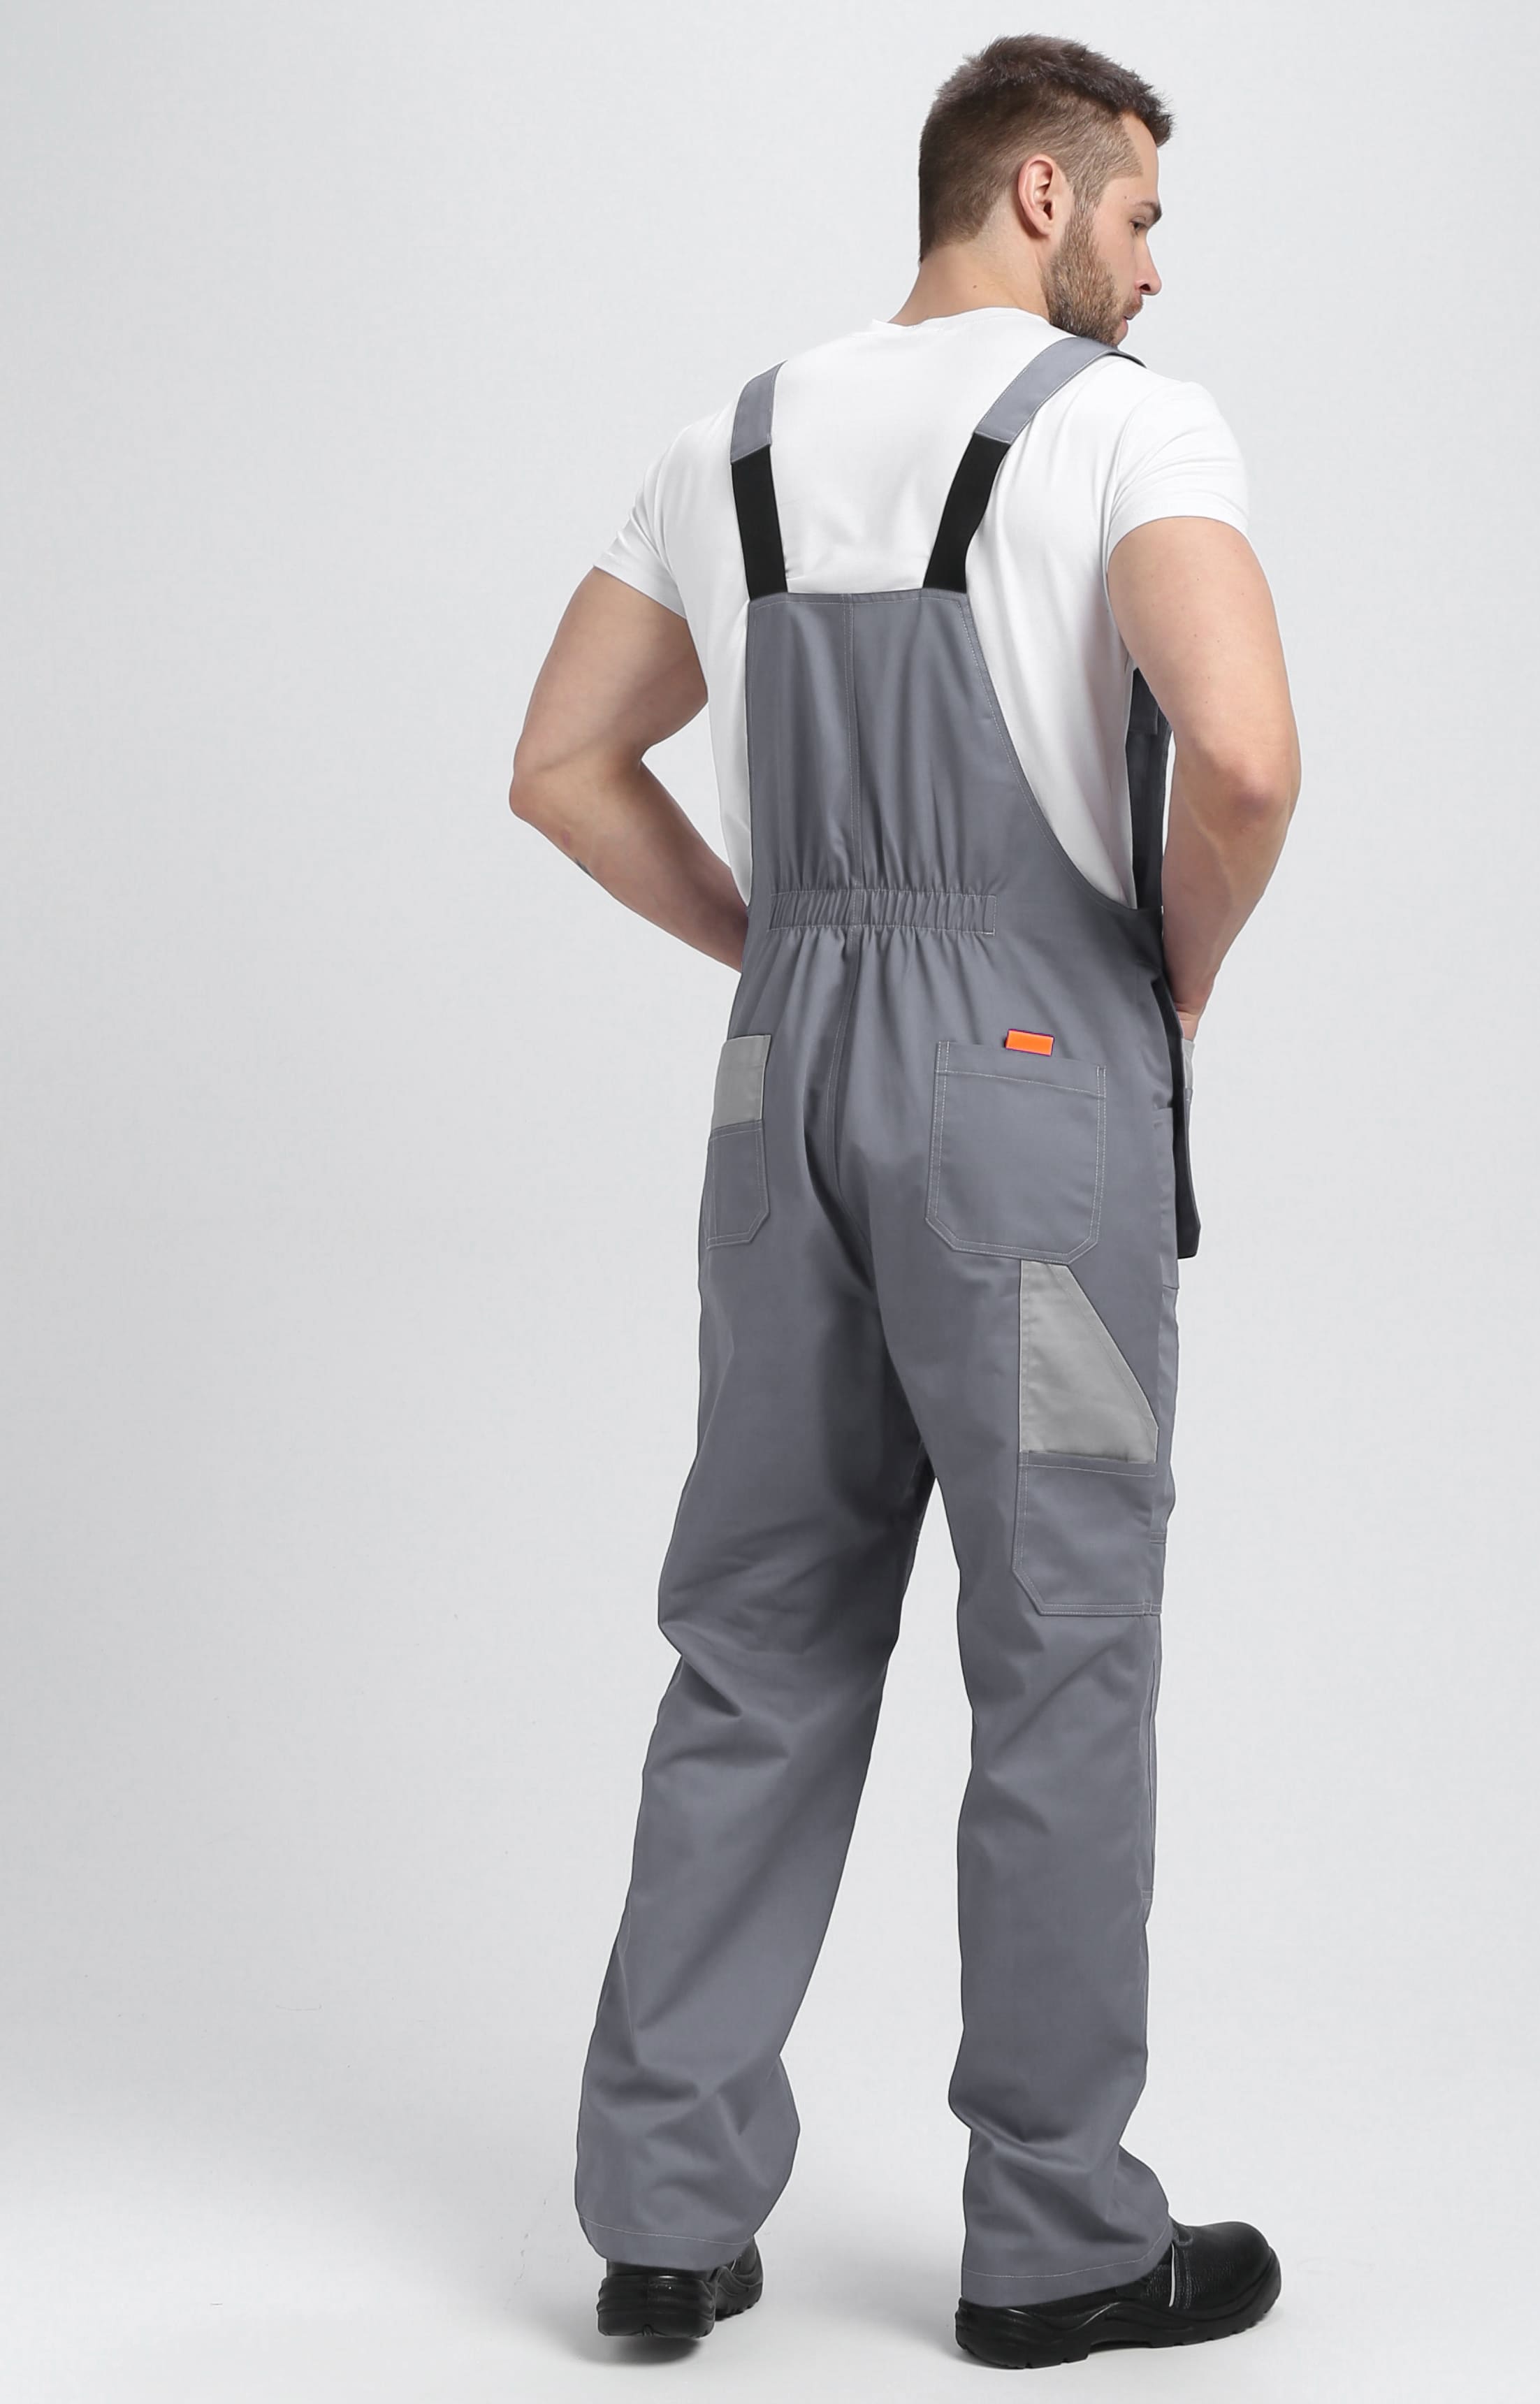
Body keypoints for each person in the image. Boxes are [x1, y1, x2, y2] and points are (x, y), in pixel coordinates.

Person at [509, 31, 1301, 2373]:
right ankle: (1053, 2239)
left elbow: (562, 765)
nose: (1152, 268)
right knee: (1061, 1643)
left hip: (785, 1093)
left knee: (756, 1626)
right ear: (1041, 194)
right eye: (1139, 215)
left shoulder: (728, 443)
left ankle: (663, 2218)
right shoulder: (1128, 427)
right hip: (1026, 1090)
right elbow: (1248, 759)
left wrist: (783, 951)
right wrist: (1166, 969)